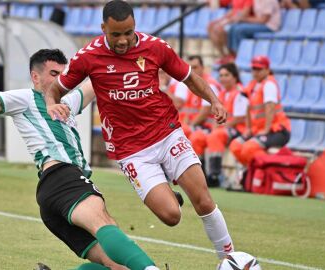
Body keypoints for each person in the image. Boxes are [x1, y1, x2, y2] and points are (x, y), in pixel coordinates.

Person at [0, 49, 160, 270]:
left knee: (116, 265)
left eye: (63, 74)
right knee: (105, 223)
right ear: (35, 76)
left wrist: (124, 52)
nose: (60, 79)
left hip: (51, 197)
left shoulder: (69, 100)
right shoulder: (24, 99)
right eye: (53, 74)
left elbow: (96, 79)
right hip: (62, 177)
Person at [46, 0, 234, 260]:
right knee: (171, 216)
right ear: (103, 28)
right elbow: (55, 88)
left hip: (167, 134)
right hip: (131, 150)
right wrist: (51, 105)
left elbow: (189, 77)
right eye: (115, 35)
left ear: (135, 26)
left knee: (203, 200)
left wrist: (214, 100)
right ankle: (167, 192)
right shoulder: (88, 56)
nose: (123, 40)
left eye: (128, 32)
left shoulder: (155, 48)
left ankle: (230, 259)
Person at [229, 56, 291, 167]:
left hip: (277, 130)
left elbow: (270, 108)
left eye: (259, 69)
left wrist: (266, 129)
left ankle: (265, 173)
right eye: (254, 69)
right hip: (259, 130)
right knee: (236, 145)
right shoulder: (253, 85)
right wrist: (248, 128)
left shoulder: (269, 84)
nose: (256, 72)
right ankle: (251, 173)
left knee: (250, 147)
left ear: (267, 70)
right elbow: (248, 109)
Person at [168, 56, 222, 169]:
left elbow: (205, 112)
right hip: (195, 125)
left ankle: (201, 171)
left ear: (203, 68)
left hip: (207, 126)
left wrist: (190, 125)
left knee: (186, 134)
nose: (193, 71)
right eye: (190, 68)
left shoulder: (209, 85)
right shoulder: (190, 84)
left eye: (196, 67)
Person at [205, 63, 248, 187]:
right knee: (203, 137)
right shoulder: (223, 93)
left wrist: (222, 126)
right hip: (226, 128)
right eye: (221, 75)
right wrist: (215, 126)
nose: (223, 78)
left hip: (239, 129)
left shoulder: (240, 92)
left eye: (226, 75)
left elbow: (240, 118)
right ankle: (203, 173)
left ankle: (214, 175)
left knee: (215, 136)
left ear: (234, 77)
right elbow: (216, 116)